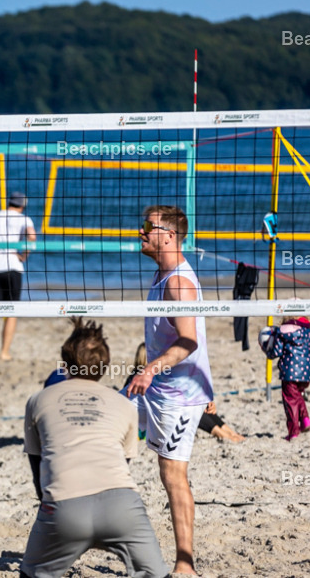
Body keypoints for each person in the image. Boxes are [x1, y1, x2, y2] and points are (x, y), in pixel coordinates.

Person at [22, 318, 168, 578]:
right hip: (122, 506)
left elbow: (38, 470)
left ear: (64, 365)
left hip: (63, 506)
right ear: (105, 366)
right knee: (157, 574)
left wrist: (50, 512)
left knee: (31, 574)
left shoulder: (37, 400)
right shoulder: (124, 404)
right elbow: (122, 467)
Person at [126, 205, 214, 576]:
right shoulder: (163, 275)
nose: (141, 232)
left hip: (178, 396)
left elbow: (189, 341)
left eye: (149, 227)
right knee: (114, 439)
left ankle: (185, 564)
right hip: (161, 388)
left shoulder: (178, 282)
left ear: (170, 236)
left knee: (173, 474)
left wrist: (149, 368)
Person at [126, 343, 243, 443]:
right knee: (188, 407)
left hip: (156, 420)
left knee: (195, 403)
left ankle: (228, 431)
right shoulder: (139, 379)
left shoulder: (151, 377)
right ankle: (223, 434)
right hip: (144, 429)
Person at [0, 191, 36, 361]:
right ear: (23, 205)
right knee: (11, 311)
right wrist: (23, 255)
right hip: (12, 267)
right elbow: (32, 237)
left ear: (9, 202)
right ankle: (4, 352)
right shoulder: (24, 219)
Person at [260, 316, 310, 441]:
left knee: (290, 402)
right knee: (297, 395)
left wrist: (267, 352)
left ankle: (293, 432)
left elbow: (277, 351)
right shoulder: (308, 332)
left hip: (289, 373)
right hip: (306, 373)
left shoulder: (282, 332)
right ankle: (305, 420)